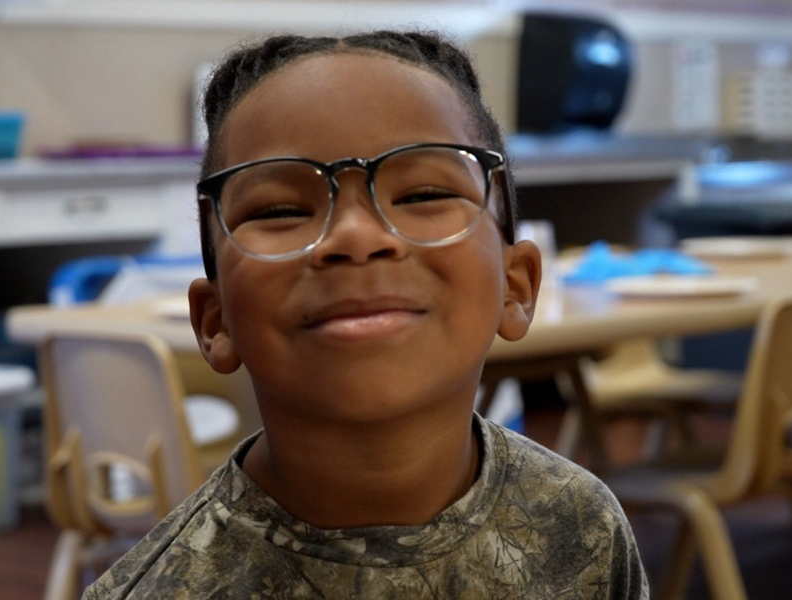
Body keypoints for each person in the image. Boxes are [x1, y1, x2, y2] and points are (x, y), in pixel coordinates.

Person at [82, 30, 647, 599]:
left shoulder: (581, 528)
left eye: (423, 195)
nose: (355, 236)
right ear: (215, 320)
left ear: (515, 285)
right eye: (281, 209)